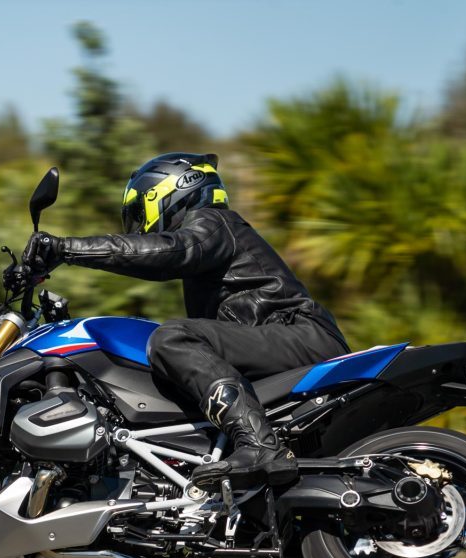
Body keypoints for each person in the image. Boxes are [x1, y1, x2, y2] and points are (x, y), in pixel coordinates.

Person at [23, 153, 349, 491]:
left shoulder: (215, 223)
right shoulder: (212, 247)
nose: (139, 225)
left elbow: (170, 251)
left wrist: (64, 248)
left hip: (301, 335)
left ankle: (259, 446)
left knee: (172, 338)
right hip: (282, 342)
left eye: (139, 213)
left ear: (169, 191)